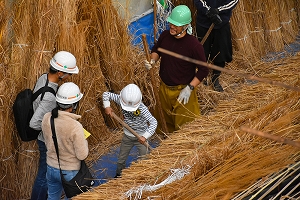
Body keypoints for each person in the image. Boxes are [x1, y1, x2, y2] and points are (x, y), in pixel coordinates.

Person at [144, 5, 209, 133]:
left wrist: (189, 88)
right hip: (164, 89)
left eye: (176, 24)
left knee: (186, 129)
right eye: (171, 22)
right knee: (164, 125)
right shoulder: (165, 36)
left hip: (183, 92)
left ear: (185, 26)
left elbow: (203, 70)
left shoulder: (194, 46)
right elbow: (157, 50)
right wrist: (152, 60)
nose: (172, 26)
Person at [30, 51, 79, 200]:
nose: (69, 77)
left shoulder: (44, 78)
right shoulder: (50, 98)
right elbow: (34, 123)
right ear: (59, 73)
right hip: (46, 141)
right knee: (44, 176)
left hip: (46, 138)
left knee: (46, 175)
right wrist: (53, 128)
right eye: (68, 74)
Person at [42, 82, 87, 200]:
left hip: (51, 167)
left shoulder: (47, 117)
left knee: (52, 197)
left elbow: (47, 141)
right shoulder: (75, 126)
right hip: (70, 171)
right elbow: (82, 155)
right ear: (74, 105)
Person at [102, 83, 157, 178]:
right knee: (121, 159)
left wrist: (145, 136)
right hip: (127, 136)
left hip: (141, 137)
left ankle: (144, 176)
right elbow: (106, 94)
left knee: (144, 159)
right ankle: (119, 175)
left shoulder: (142, 109)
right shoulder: (121, 99)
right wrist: (107, 106)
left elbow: (153, 122)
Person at [194, 0, 239, 92]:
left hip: (221, 22)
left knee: (221, 52)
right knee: (202, 52)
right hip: (203, 21)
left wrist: (218, 10)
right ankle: (203, 77)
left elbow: (234, 1)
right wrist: (208, 11)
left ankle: (215, 78)